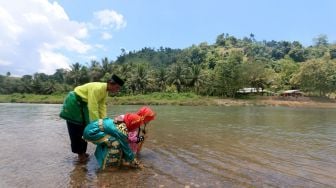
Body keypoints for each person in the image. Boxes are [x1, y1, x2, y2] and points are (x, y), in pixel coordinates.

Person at [60, 74, 124, 162]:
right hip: (74, 103)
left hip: (83, 105)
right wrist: (97, 125)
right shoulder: (97, 88)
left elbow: (102, 107)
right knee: (76, 128)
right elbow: (93, 107)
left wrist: (105, 122)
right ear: (110, 83)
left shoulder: (105, 91)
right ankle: (80, 154)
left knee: (84, 127)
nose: (117, 90)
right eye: (117, 87)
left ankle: (82, 151)